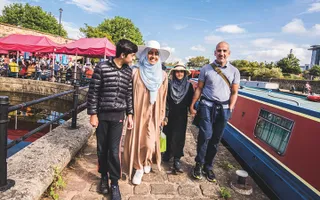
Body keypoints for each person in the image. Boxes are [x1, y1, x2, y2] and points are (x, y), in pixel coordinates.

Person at [87, 39, 137, 200]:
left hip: (118, 116)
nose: (133, 58)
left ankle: (114, 182)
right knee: (102, 149)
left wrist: (130, 114)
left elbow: (129, 93)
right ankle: (103, 177)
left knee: (114, 151)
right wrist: (93, 114)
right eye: (132, 55)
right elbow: (93, 91)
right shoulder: (102, 67)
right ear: (123, 55)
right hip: (102, 114)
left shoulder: (128, 71)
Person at [190, 41, 240, 182]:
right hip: (207, 106)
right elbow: (199, 88)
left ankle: (208, 166)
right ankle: (198, 164)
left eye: (224, 51)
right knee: (204, 136)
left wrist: (231, 107)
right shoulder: (206, 68)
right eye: (219, 50)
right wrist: (193, 104)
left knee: (216, 139)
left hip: (223, 109)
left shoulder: (235, 71)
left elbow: (235, 92)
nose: (221, 53)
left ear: (228, 53)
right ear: (215, 52)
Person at [123, 40, 170, 185]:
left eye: (156, 54)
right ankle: (138, 166)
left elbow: (163, 97)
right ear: (145, 54)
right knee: (137, 139)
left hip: (154, 113)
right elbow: (128, 94)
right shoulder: (135, 71)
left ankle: (148, 159)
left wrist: (162, 115)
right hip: (138, 111)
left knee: (150, 142)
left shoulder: (162, 75)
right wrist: (129, 114)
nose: (153, 56)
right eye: (151, 53)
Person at [162, 61, 194, 173]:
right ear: (174, 73)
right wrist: (164, 115)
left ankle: (177, 159)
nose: (179, 73)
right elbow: (165, 100)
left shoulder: (189, 86)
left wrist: (193, 109)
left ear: (185, 73)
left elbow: (191, 101)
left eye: (181, 71)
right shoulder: (169, 84)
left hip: (182, 115)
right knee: (168, 134)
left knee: (179, 137)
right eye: (177, 71)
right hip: (170, 113)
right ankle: (167, 153)